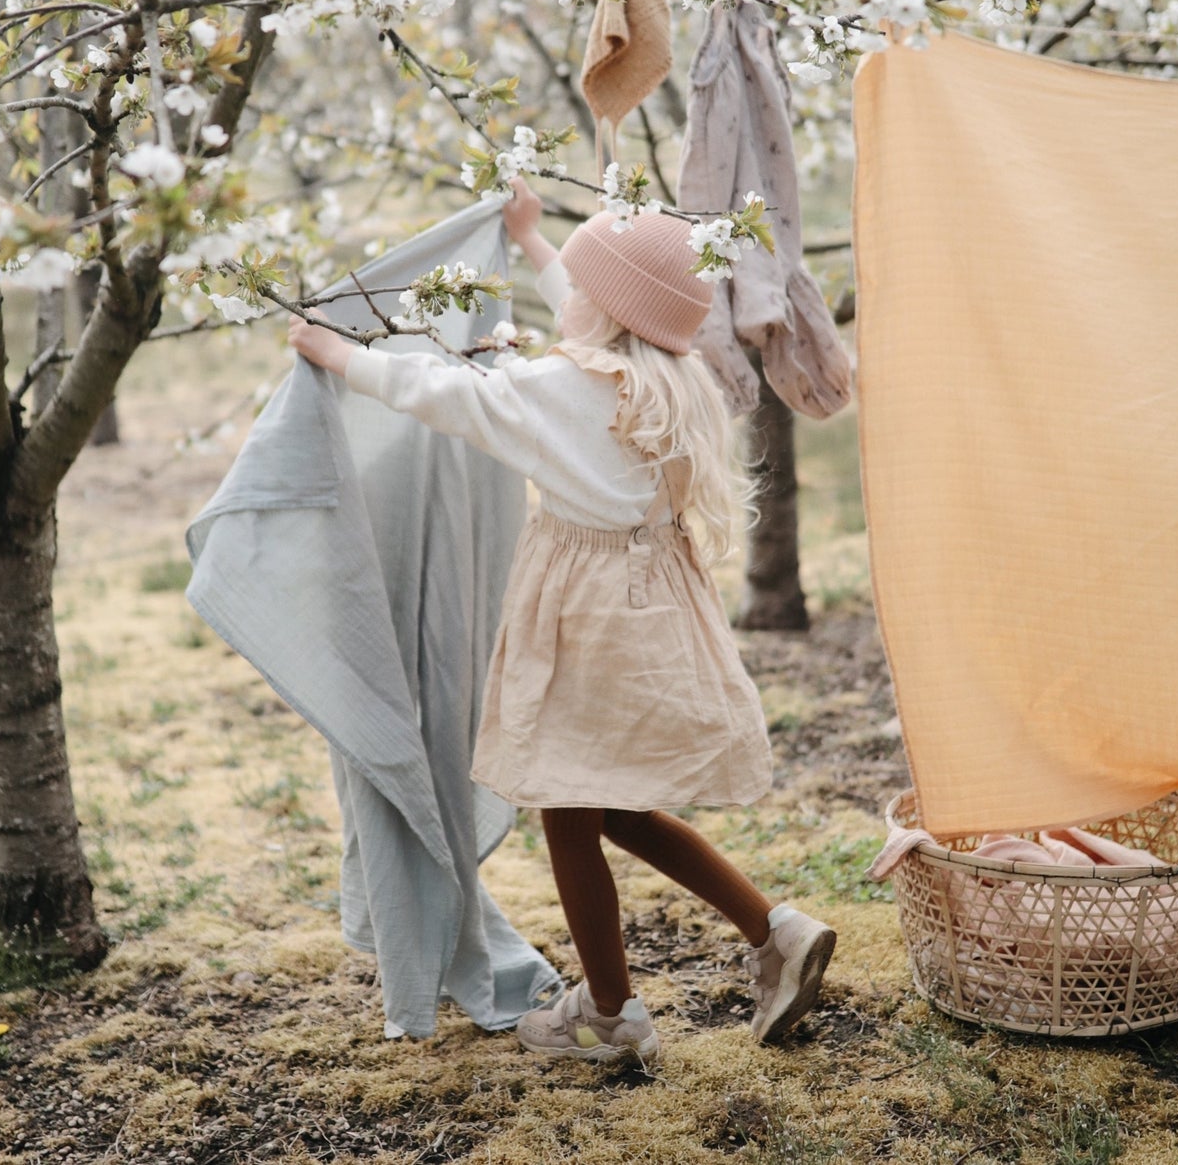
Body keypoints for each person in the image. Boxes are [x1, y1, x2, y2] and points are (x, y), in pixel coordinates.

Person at [288, 178, 835, 1065]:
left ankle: (614, 1015)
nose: (564, 300)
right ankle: (772, 927)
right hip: (655, 603)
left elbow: (447, 394)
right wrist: (537, 244)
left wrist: (335, 352)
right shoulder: (674, 378)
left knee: (568, 813)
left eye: (579, 288)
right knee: (614, 806)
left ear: (608, 310)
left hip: (583, 616)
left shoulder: (557, 388)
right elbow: (609, 312)